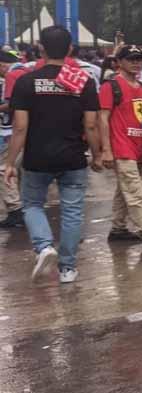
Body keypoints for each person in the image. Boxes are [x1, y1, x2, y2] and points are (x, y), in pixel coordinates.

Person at [4, 25, 103, 283]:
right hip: (73, 158)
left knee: (33, 205)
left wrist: (10, 162)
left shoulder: (27, 81)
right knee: (72, 212)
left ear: (40, 48)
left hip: (36, 159)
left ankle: (44, 245)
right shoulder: (83, 82)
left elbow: (20, 127)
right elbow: (91, 125)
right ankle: (67, 269)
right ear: (70, 48)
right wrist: (98, 155)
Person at [98, 45, 142, 247]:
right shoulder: (110, 87)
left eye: (139, 59)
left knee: (124, 190)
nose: (136, 62)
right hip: (121, 148)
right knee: (135, 191)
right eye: (131, 59)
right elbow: (103, 118)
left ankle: (118, 229)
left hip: (139, 147)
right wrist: (106, 150)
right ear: (118, 62)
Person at [0, 46, 24, 228]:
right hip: (23, 130)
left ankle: (15, 210)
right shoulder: (25, 72)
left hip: (12, 132)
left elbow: (11, 105)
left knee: (4, 169)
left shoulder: (11, 77)